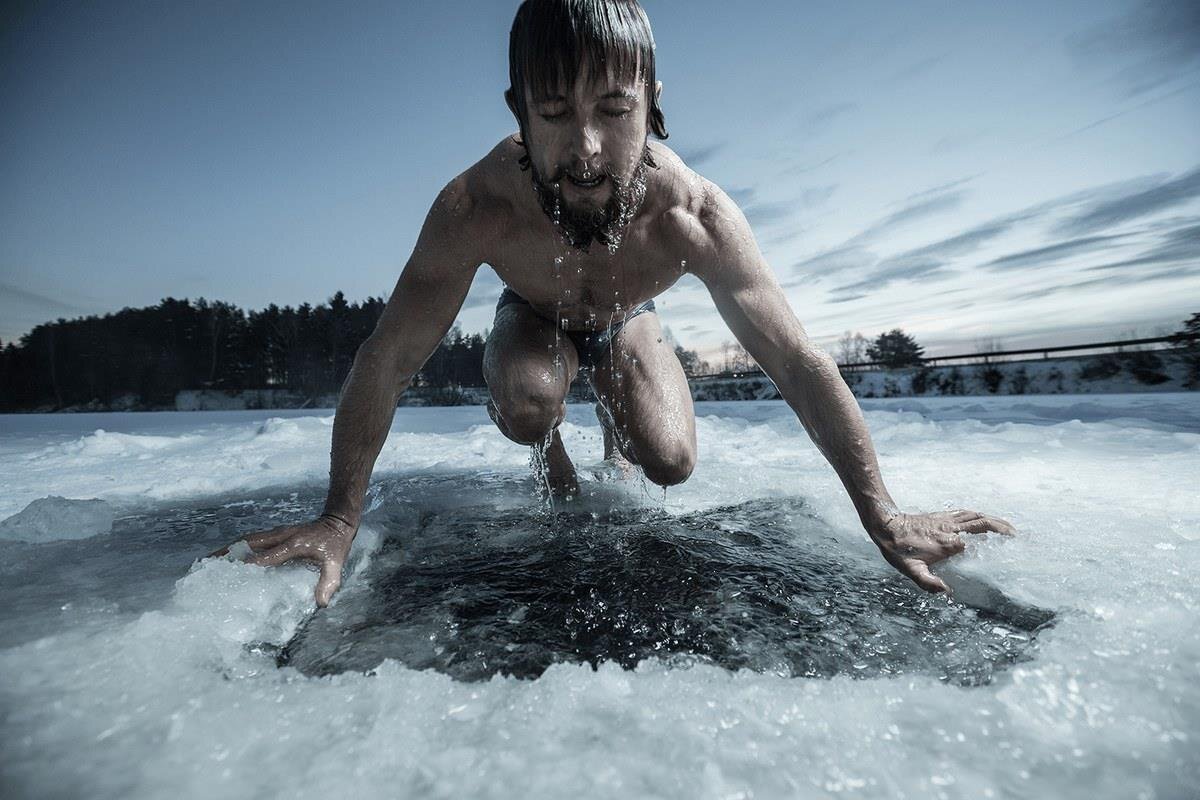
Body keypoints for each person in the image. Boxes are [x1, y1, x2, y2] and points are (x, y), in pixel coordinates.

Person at [212, 0, 1013, 606]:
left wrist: (884, 515)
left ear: (651, 101)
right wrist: (339, 519)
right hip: (532, 318)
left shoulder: (692, 215)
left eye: (614, 110)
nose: (586, 150)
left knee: (670, 462)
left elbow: (798, 362)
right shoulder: (477, 206)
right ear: (518, 111)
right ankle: (550, 438)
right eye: (555, 114)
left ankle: (612, 404)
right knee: (530, 406)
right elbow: (387, 357)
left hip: (629, 318)